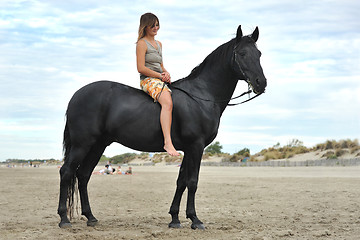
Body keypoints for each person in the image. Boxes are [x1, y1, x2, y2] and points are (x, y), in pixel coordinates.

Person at [136, 12, 179, 156]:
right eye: (152, 25)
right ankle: (167, 142)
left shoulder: (159, 44)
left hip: (159, 78)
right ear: (145, 27)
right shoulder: (142, 44)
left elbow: (160, 65)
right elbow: (140, 68)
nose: (156, 28)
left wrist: (166, 73)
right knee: (167, 103)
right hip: (147, 80)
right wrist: (159, 75)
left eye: (157, 25)